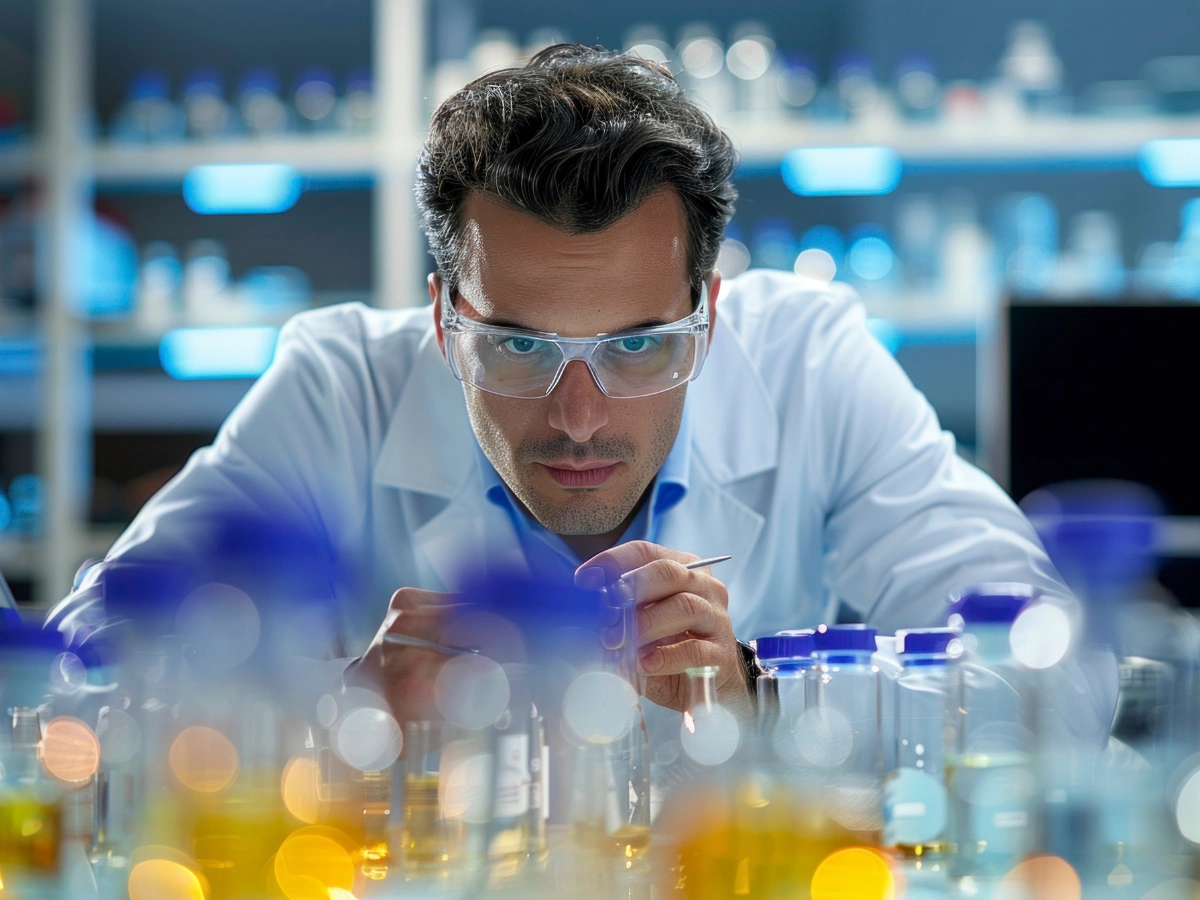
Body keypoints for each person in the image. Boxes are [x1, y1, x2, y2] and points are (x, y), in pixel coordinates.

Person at [48, 45, 1115, 741]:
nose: (578, 417)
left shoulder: (810, 363)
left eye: (639, 347)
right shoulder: (340, 387)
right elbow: (64, 687)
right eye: (515, 348)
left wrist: (768, 693)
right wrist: (340, 713)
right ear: (442, 321)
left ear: (710, 311)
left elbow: (1064, 680)